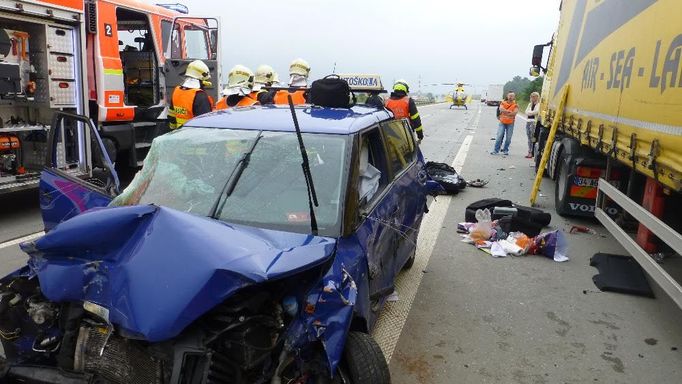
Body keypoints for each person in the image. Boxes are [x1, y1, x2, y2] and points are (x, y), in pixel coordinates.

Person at [168, 60, 213, 129]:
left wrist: (173, 132)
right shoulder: (200, 96)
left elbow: (172, 115)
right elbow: (205, 123)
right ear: (201, 79)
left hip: (178, 134)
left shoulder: (177, 91)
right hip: (193, 137)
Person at [525, 92, 540, 158]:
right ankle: (529, 151)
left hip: (534, 122)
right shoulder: (529, 104)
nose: (533, 98)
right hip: (528, 122)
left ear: (537, 97)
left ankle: (532, 152)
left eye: (535, 96)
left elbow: (536, 112)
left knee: (533, 138)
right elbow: (526, 112)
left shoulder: (539, 104)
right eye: (532, 96)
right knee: (529, 138)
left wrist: (530, 113)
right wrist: (531, 113)